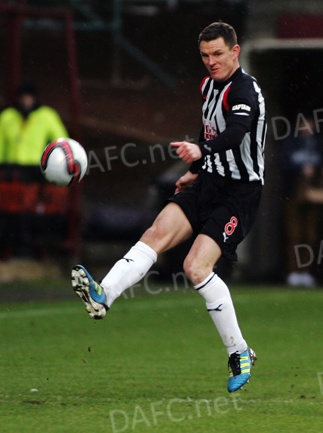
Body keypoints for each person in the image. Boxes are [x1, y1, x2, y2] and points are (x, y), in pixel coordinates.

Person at [71, 21, 267, 393]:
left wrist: (201, 151)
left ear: (235, 51)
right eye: (205, 55)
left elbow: (236, 132)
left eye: (217, 54)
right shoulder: (208, 86)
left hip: (239, 194)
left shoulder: (245, 89)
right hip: (208, 182)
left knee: (195, 267)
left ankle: (239, 351)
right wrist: (195, 170)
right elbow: (209, 130)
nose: (211, 61)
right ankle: (103, 294)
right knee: (155, 233)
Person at [0, 82, 69, 258]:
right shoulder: (7, 117)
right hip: (11, 172)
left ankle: (29, 244)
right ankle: (13, 244)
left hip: (36, 172)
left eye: (29, 97)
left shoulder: (46, 116)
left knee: (31, 209)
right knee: (10, 211)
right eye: (23, 97)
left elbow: (61, 142)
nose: (26, 101)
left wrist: (53, 164)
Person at [279, 116, 323, 287]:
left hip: (313, 195)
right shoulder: (290, 142)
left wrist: (321, 172)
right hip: (293, 194)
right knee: (294, 235)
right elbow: (283, 163)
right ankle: (293, 272)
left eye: (310, 123)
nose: (308, 127)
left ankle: (306, 272)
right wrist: (300, 169)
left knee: (311, 236)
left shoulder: (318, 143)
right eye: (305, 123)